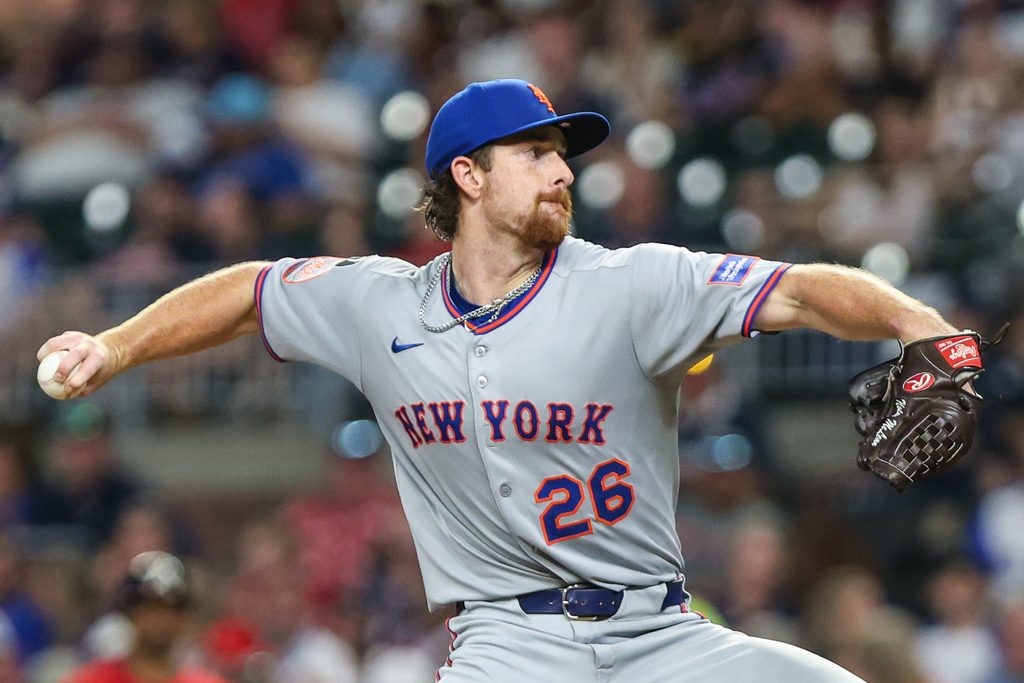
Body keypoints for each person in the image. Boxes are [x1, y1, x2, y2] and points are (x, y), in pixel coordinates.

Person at [39, 78, 976, 681]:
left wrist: (913, 321)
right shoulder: (382, 305)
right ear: (469, 176)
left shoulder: (630, 285)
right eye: (536, 152)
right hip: (510, 645)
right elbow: (248, 291)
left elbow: (802, 294)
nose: (563, 170)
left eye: (563, 153)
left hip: (664, 637)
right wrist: (115, 347)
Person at [62, 551, 227, 683]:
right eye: (149, 609)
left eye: (169, 610)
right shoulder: (91, 679)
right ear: (130, 613)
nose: (159, 620)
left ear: (183, 618)